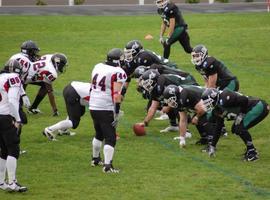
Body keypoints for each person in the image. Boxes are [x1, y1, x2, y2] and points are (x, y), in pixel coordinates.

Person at [202, 88, 269, 161]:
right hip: (250, 109)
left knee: (239, 128)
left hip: (258, 107)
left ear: (214, 98)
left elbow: (244, 100)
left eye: (209, 102)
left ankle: (252, 152)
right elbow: (219, 127)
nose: (208, 105)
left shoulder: (225, 97)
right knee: (235, 129)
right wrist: (213, 146)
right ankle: (250, 150)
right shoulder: (217, 109)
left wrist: (241, 114)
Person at [89, 48, 127, 173]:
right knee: (110, 138)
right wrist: (116, 113)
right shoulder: (118, 71)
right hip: (105, 106)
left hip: (93, 104)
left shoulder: (98, 66)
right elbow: (116, 95)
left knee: (99, 133)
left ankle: (95, 159)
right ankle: (107, 166)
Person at [191, 44, 240, 136]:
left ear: (204, 54)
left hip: (229, 83)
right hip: (221, 85)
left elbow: (212, 85)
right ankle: (221, 126)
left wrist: (204, 99)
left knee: (218, 103)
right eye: (194, 56)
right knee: (215, 104)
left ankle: (238, 116)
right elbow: (207, 79)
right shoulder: (198, 66)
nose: (195, 58)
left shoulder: (210, 62)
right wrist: (204, 92)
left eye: (197, 55)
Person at [137, 69, 198, 133]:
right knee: (166, 103)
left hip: (189, 85)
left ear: (154, 79)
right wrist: (145, 122)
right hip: (181, 91)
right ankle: (174, 125)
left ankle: (186, 131)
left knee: (175, 104)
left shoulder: (163, 81)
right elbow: (153, 107)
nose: (146, 85)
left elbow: (175, 96)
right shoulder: (155, 88)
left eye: (147, 82)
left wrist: (168, 106)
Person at [0, 59, 27, 192]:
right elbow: (11, 101)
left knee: (3, 150)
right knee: (13, 150)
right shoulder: (14, 78)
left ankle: (1, 182)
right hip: (6, 116)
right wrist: (17, 119)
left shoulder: (1, 77)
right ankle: (12, 183)